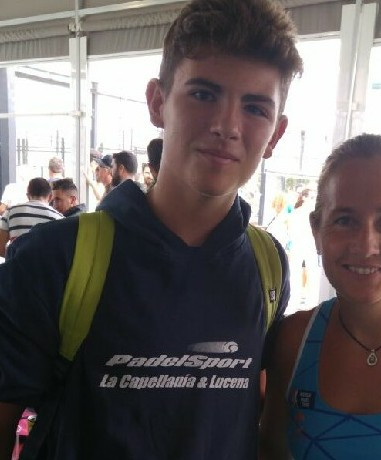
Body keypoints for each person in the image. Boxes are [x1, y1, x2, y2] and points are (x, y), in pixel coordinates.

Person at [0, 0, 302, 458]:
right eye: (204, 94)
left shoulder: (267, 266)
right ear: (158, 102)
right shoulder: (56, 258)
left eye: (255, 108)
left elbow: (248, 415)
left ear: (276, 134)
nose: (227, 126)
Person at [260, 133, 381, 459]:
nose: (366, 246)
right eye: (345, 220)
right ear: (317, 232)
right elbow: (271, 450)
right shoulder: (294, 339)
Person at [0, 177, 63, 258]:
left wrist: (14, 258)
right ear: (50, 197)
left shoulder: (10, 212)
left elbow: (0, 247)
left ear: (28, 195)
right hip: (44, 265)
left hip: (16, 265)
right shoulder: (59, 218)